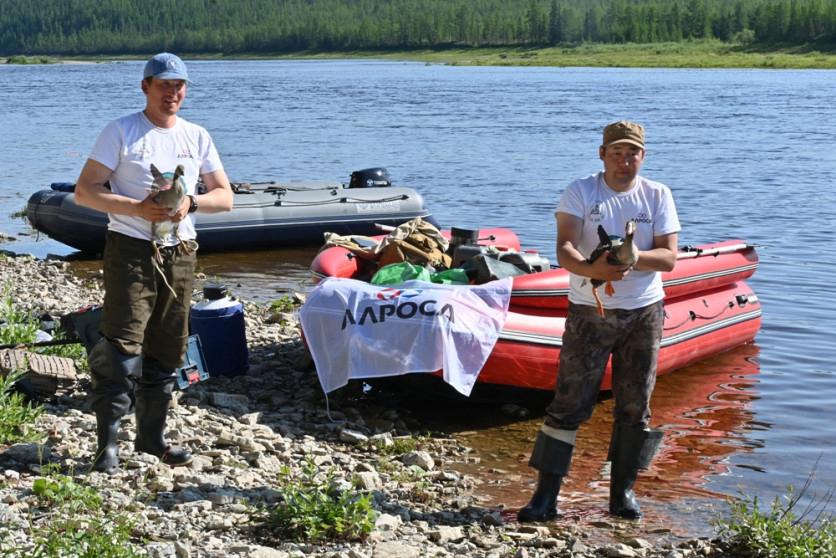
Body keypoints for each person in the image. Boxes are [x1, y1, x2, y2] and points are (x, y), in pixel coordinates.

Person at [75, 52, 233, 474]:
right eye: (164, 85)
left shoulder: (197, 136)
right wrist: (136, 208)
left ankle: (151, 438)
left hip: (180, 252)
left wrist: (192, 203)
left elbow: (225, 197)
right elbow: (85, 191)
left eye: (178, 86)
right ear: (145, 86)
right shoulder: (121, 131)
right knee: (122, 343)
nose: (172, 93)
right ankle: (107, 446)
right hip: (130, 248)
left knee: (168, 346)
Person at [517, 120, 680, 521]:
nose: (624, 161)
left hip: (644, 313)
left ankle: (622, 493)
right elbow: (565, 248)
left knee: (636, 405)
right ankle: (545, 497)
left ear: (643, 156)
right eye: (617, 153)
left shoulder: (657, 194)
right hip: (589, 311)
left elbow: (669, 258)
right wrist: (595, 270)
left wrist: (634, 257)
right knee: (569, 401)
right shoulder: (581, 191)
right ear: (602, 154)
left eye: (632, 153)